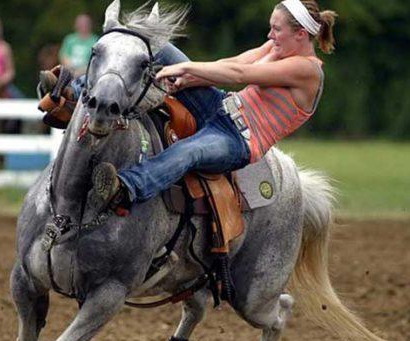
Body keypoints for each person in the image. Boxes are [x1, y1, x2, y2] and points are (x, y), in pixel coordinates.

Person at [54, 0, 337, 215]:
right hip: (220, 106)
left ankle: (125, 187)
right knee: (158, 46)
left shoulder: (306, 70)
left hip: (237, 140)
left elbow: (241, 76)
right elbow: (232, 64)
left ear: (300, 34)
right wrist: (190, 76)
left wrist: (185, 69)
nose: (270, 34)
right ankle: (74, 92)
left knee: (188, 151)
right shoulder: (277, 48)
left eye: (276, 29)